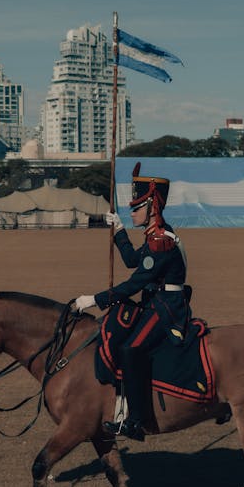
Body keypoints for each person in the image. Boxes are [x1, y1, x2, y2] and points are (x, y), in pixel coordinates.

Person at [74, 173, 190, 441]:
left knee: (131, 348)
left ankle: (137, 419)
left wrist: (95, 299)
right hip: (154, 302)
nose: (132, 210)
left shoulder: (162, 240)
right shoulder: (154, 236)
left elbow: (134, 283)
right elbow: (131, 260)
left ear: (153, 208)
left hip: (166, 308)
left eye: (137, 207)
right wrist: (119, 230)